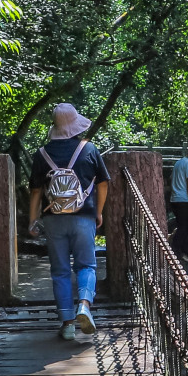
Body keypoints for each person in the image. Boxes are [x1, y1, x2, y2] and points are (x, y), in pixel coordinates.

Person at [27, 104, 110, 339]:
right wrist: (99, 212)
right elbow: (104, 183)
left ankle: (67, 324)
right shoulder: (89, 149)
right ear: (75, 124)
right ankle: (84, 304)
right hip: (83, 217)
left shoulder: (41, 154)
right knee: (86, 265)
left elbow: (35, 191)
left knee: (60, 271)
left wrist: (33, 220)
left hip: (54, 219)